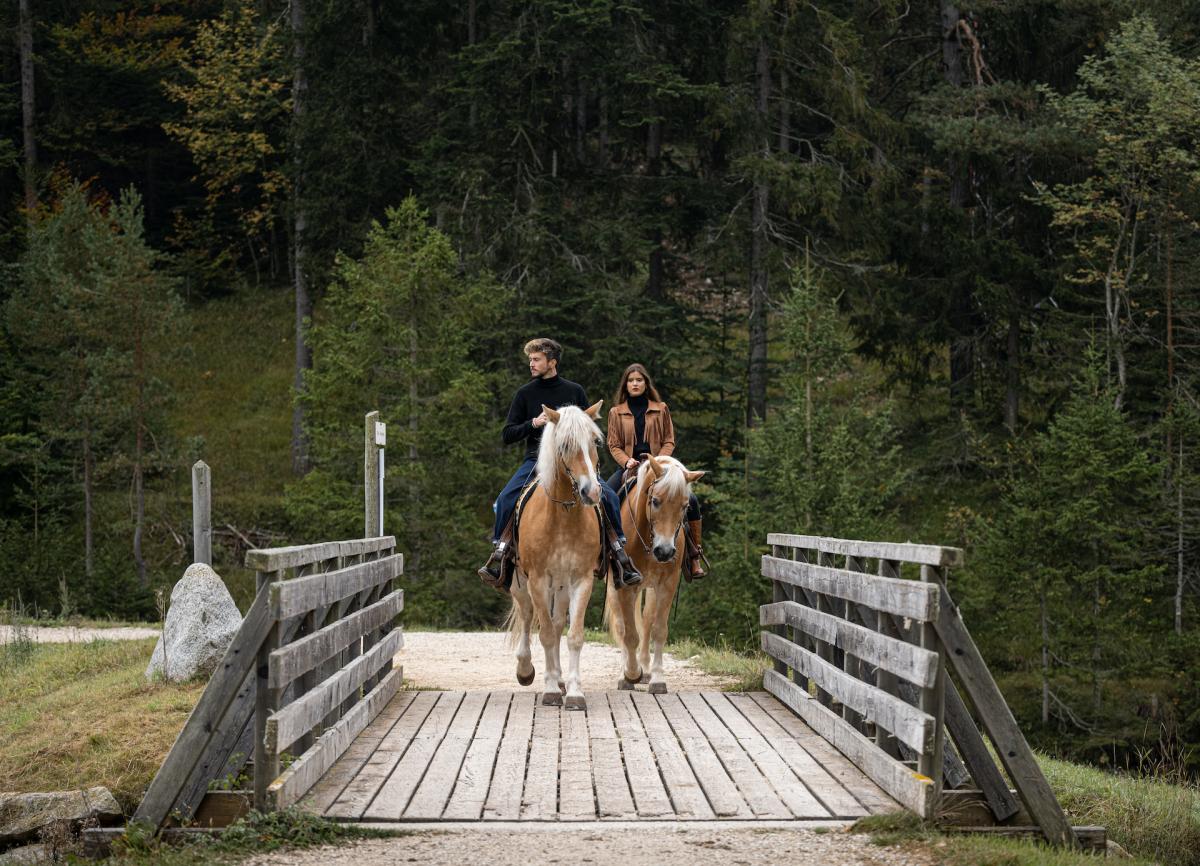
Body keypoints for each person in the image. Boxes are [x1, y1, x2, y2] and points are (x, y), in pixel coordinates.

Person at [478, 338, 642, 591]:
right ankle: (500, 554)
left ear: (552, 362)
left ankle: (619, 553)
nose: (531, 364)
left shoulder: (574, 391)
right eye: (530, 360)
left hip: (574, 459)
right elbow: (508, 434)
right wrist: (533, 423)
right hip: (536, 460)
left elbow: (586, 428)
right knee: (505, 499)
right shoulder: (525, 393)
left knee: (607, 496)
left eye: (536, 359)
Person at [607, 363, 707, 579]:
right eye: (631, 380)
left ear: (645, 383)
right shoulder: (616, 412)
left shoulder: (661, 408)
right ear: (626, 384)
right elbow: (613, 445)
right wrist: (627, 462)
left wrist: (660, 462)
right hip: (630, 467)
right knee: (606, 496)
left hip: (660, 467)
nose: (635, 383)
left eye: (639, 380)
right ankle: (603, 554)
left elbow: (669, 440)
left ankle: (693, 556)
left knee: (692, 500)